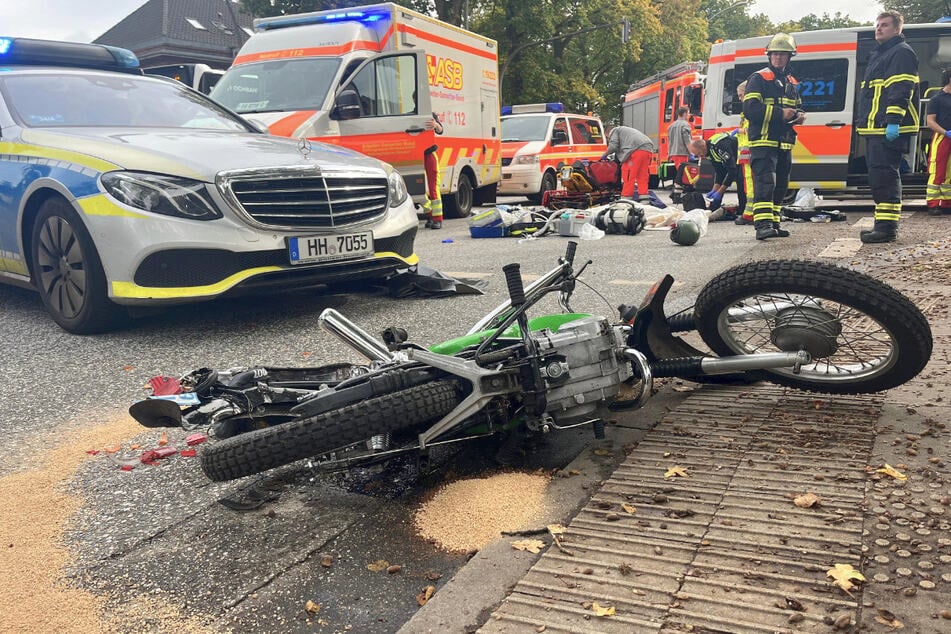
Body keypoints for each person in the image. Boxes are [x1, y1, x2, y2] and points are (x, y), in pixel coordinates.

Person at [856, 10, 919, 243]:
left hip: (887, 127)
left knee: (885, 177)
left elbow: (900, 89)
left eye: (884, 25)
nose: (878, 29)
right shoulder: (881, 54)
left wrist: (893, 121)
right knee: (879, 177)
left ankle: (887, 229)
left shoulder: (901, 53)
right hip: (876, 128)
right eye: (877, 25)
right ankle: (882, 225)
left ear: (897, 29)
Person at [742, 32, 805, 240]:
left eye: (782, 54)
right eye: (775, 54)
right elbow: (751, 109)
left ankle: (774, 222)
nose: (778, 58)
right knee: (765, 183)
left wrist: (799, 115)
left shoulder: (791, 82)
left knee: (781, 185)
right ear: (769, 55)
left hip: (785, 141)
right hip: (763, 140)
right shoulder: (759, 78)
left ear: (789, 57)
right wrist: (780, 114)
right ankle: (762, 225)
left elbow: (796, 106)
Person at [602, 125, 654, 201]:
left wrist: (605, 154)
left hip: (635, 151)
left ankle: (626, 198)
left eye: (607, 137)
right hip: (647, 149)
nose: (608, 139)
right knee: (642, 175)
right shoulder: (625, 131)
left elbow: (613, 146)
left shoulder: (614, 131)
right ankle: (644, 199)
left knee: (628, 175)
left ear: (607, 133)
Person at [687, 133, 737, 211]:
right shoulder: (708, 152)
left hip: (741, 158)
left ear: (703, 146)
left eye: (699, 153)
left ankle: (743, 210)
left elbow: (733, 171)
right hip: (733, 160)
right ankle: (715, 206)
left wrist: (719, 192)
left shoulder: (718, 147)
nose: (700, 156)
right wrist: (714, 190)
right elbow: (719, 171)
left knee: (740, 182)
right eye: (697, 155)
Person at [925, 70, 951, 213]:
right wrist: (945, 132)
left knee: (950, 172)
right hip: (942, 138)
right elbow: (930, 122)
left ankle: (947, 203)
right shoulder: (937, 99)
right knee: (937, 170)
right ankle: (933, 204)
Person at [734, 81, 754, 225]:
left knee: (751, 185)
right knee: (749, 185)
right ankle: (750, 213)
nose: (740, 99)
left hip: (750, 154)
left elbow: (751, 131)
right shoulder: (747, 111)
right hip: (746, 155)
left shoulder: (751, 110)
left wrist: (739, 131)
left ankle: (750, 214)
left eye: (741, 95)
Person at [423, 112, 444, 229]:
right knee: (420, 189)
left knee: (433, 187)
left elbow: (440, 130)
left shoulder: (431, 115)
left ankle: (437, 219)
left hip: (429, 154)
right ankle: (429, 215)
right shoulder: (412, 114)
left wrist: (435, 125)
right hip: (416, 154)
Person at [666, 107, 692, 171]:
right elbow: (687, 141)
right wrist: (692, 152)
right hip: (682, 154)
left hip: (672, 155)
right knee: (682, 175)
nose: (688, 116)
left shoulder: (670, 126)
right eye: (688, 114)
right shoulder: (685, 125)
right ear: (685, 114)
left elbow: (669, 141)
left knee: (676, 176)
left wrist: (669, 155)